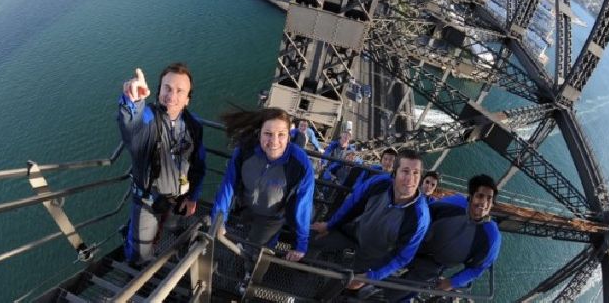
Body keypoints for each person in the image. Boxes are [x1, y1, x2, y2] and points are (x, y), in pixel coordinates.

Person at [117, 64, 206, 266]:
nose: (172, 95)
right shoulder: (148, 118)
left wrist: (193, 197)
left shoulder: (194, 127)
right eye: (167, 88)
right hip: (148, 201)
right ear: (158, 92)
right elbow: (132, 129)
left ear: (187, 100)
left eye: (179, 91)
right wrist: (133, 101)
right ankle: (133, 252)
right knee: (139, 255)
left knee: (172, 226)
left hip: (178, 198)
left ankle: (136, 231)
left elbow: (199, 165)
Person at [308, 150, 429, 292]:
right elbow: (352, 205)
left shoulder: (419, 217)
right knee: (313, 238)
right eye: (405, 171)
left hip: (372, 256)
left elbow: (402, 256)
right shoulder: (378, 184)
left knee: (340, 287)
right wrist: (330, 225)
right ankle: (301, 271)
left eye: (416, 173)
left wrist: (372, 275)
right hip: (354, 233)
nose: (410, 179)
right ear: (394, 173)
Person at [211, 108, 315, 262]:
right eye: (268, 134)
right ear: (259, 133)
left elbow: (303, 205)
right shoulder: (245, 151)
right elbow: (228, 185)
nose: (274, 141)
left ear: (289, 137)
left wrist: (301, 245)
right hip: (245, 206)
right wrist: (218, 219)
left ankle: (248, 272)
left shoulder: (300, 164)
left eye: (281, 135)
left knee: (256, 253)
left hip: (272, 217)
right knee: (242, 235)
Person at [385, 174, 501, 301]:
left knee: (399, 293)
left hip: (434, 265)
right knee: (380, 262)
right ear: (471, 196)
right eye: (480, 196)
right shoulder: (455, 203)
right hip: (416, 245)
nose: (484, 203)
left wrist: (453, 282)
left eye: (489, 199)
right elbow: (425, 212)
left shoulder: (491, 236)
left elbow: (478, 268)